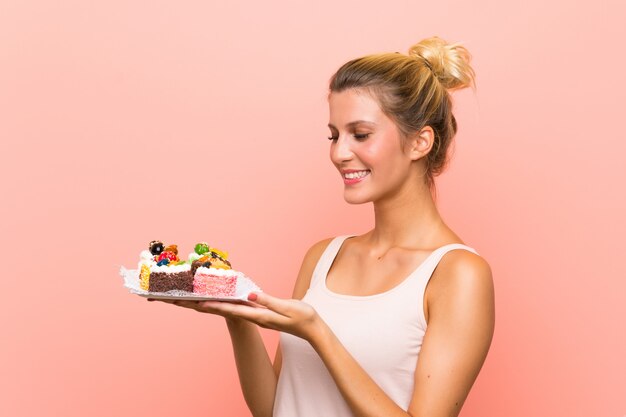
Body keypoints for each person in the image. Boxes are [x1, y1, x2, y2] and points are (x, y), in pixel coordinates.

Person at [153, 36, 495, 417]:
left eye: (360, 135)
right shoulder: (324, 257)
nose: (338, 153)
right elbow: (274, 407)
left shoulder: (459, 274)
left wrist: (319, 333)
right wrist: (236, 315)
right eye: (334, 135)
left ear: (420, 142)